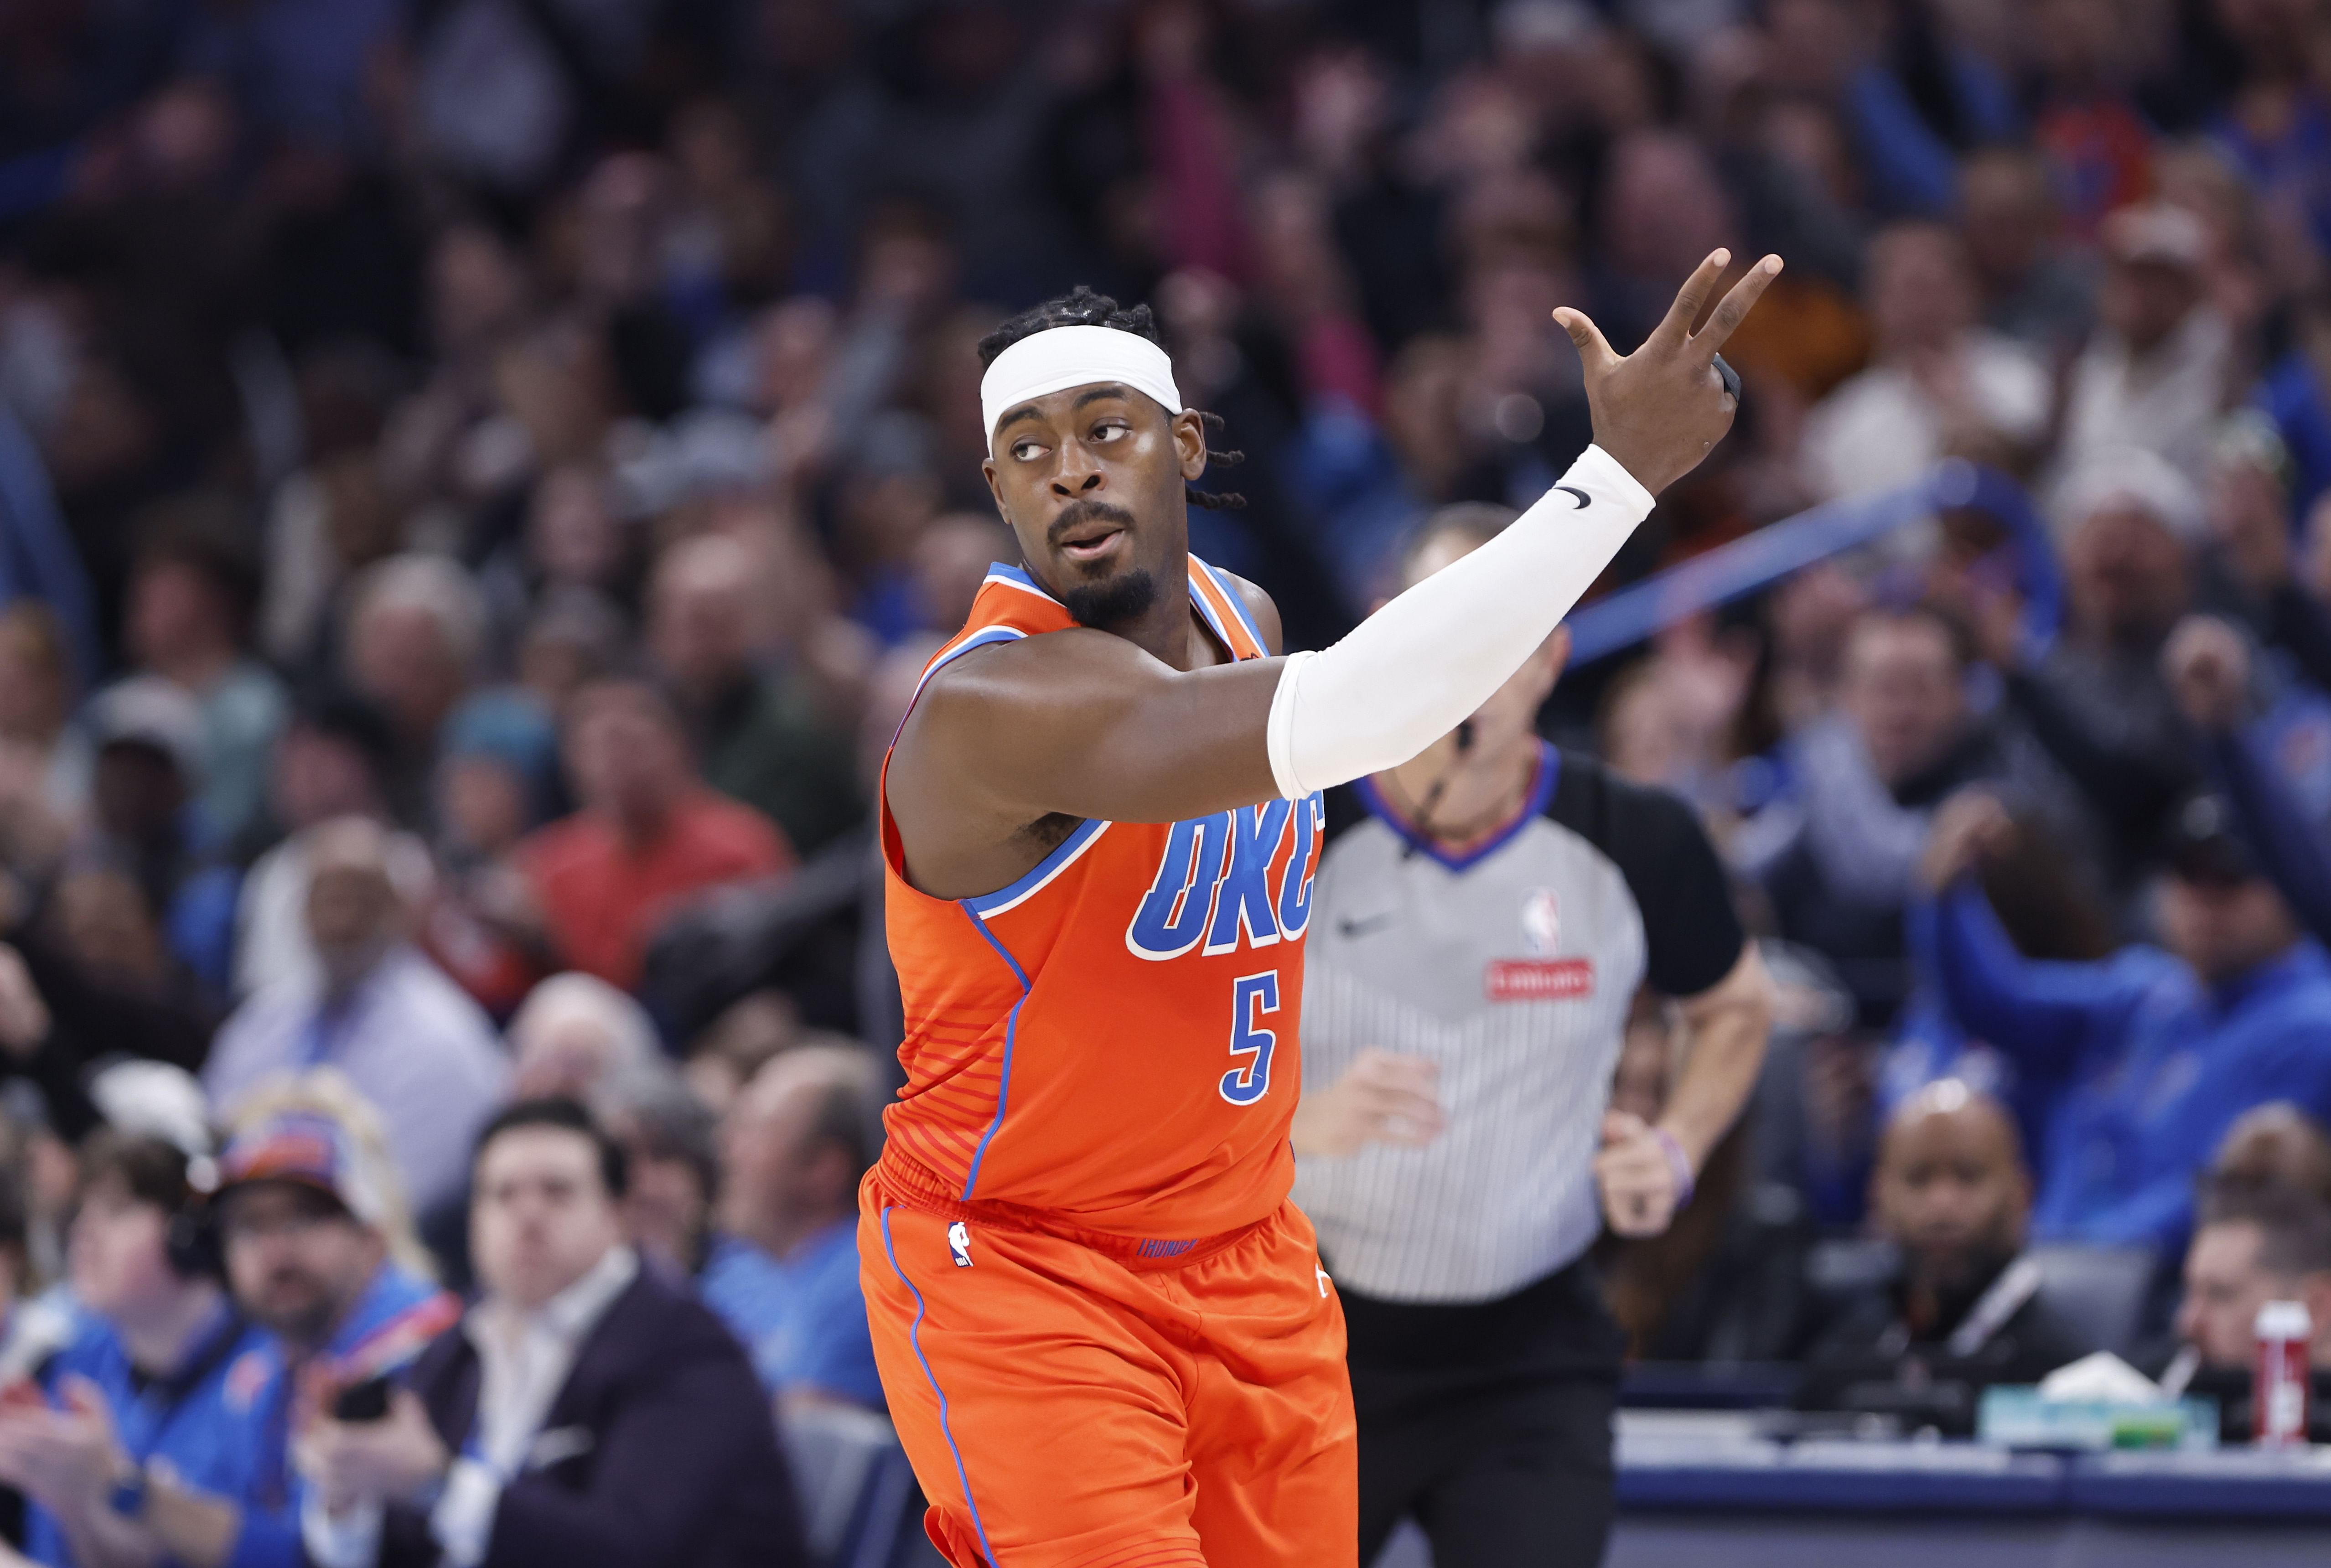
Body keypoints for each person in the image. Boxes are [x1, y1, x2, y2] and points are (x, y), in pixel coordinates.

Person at [866, 252, 1775, 1564]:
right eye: (1028, 447)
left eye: (1105, 431)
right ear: (999, 487)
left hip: (1250, 1255)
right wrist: (1615, 481)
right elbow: (1363, 706)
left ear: (1185, 446)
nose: (1070, 468)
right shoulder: (989, 712)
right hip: (1028, 1266)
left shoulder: (1246, 616)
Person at [1290, 504, 1773, 1567]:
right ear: (1382, 634)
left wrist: (1680, 1143)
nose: (1464, 662)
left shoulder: (1632, 839)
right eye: (1436, 624)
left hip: (1530, 1353)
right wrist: (1285, 1123)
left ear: (1550, 657)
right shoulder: (1291, 826)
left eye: (1496, 630)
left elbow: (1735, 1006)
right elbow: (1157, 1047)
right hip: (1307, 1338)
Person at [295, 1098, 805, 1568]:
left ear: (617, 1213)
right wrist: (351, 1498)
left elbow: (633, 1551)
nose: (527, 1214)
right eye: (502, 1194)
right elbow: (407, 1541)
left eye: (557, 1191)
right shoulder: (459, 1345)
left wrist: (435, 1485)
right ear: (474, 1220)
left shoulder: (687, 1350)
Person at [1913, 789, 2331, 1253]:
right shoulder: (2145, 993)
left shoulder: (2312, 1026)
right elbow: (1994, 1007)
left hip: (2180, 1295)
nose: (2204, 901)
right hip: (2063, 1266)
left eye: (2229, 880)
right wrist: (1949, 894)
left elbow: (2232, 1191)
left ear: (2291, 883)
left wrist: (2078, 1259)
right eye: (2187, 875)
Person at [0, 1129, 284, 1568]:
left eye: (116, 1210)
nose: (84, 1232)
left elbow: (303, 1554)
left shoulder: (275, 1374)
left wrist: (117, 1488)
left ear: (190, 1235)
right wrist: (75, 1507)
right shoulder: (78, 1359)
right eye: (82, 1211)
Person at [203, 817, 510, 1216]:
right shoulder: (260, 1025)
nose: (340, 919)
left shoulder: (442, 1038)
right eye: (324, 898)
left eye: (359, 898)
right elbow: (214, 1136)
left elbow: (410, 1200)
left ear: (401, 912)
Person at [212, 1078, 462, 1541]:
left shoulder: (440, 1352)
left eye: (302, 1216)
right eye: (248, 1225)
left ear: (372, 1233)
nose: (274, 1249)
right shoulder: (256, 1374)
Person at [1797, 1082, 2090, 1434]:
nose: (1942, 1202)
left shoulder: (2067, 1378)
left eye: (1968, 1176)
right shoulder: (1846, 1356)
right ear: (1877, 1197)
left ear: (2022, 1195)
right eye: (1918, 1178)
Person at [511, 677, 793, 993]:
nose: (616, 762)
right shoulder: (546, 863)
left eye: (631, 743)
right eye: (598, 746)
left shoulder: (742, 843)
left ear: (679, 746)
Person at [699, 1046, 884, 1410]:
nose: (726, 1149)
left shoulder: (864, 1282)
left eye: (755, 1128)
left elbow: (795, 1447)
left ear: (823, 1169)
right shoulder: (756, 1271)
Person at [2149, 1178, 2331, 1442]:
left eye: (2222, 1295)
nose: (2188, 1323)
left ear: (2317, 1306)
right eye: (2189, 1292)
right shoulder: (2160, 1381)